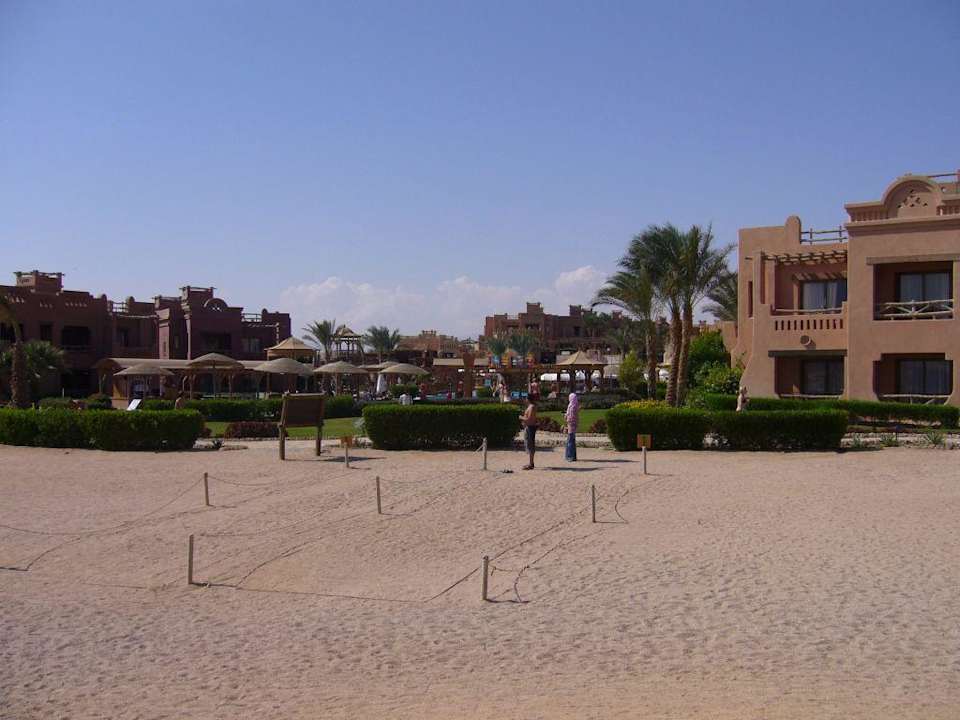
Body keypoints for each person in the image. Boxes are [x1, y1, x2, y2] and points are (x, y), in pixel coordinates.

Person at [520, 395, 538, 470]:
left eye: (526, 398)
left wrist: (521, 417)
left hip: (530, 428)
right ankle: (531, 463)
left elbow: (529, 419)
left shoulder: (532, 407)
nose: (525, 399)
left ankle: (531, 463)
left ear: (528, 399)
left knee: (530, 445)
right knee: (529, 444)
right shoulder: (530, 406)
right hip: (529, 427)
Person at [563, 391, 579, 462]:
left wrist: (566, 417)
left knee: (570, 440)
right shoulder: (575, 405)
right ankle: (573, 456)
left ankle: (570, 456)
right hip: (573, 424)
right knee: (572, 440)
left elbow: (570, 416)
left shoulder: (571, 406)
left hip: (571, 424)